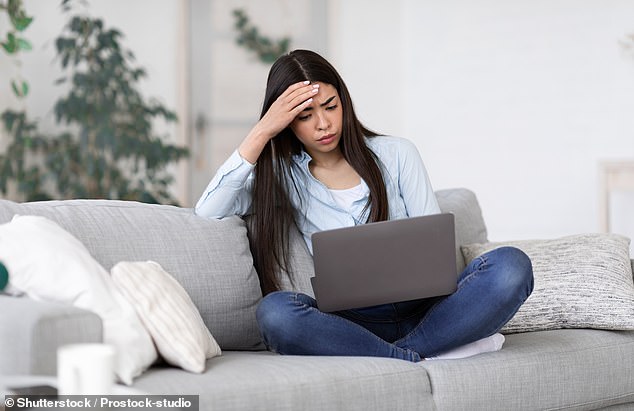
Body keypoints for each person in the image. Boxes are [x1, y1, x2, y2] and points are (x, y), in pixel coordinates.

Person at [195, 49, 533, 362]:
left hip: (430, 310)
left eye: (330, 106)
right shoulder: (281, 179)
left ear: (344, 101)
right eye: (304, 115)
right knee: (275, 313)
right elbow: (209, 209)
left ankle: (397, 355)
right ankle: (423, 353)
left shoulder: (397, 153)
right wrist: (262, 131)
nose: (323, 124)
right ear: (286, 123)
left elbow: (434, 251)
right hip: (352, 325)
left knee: (511, 266)